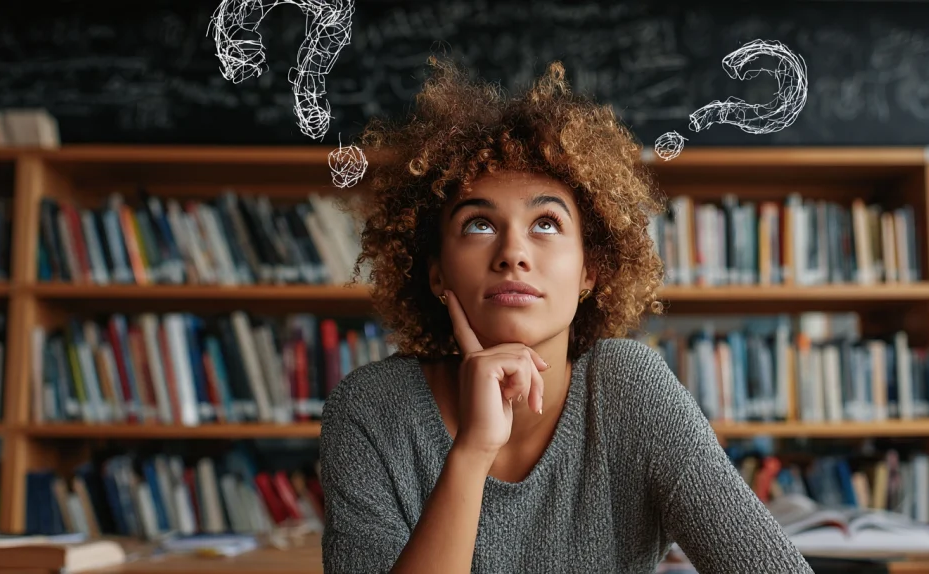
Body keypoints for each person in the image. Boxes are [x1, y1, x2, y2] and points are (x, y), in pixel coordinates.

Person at [320, 56, 813, 574]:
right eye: (479, 225)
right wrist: (471, 453)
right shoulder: (371, 411)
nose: (513, 252)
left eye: (547, 224)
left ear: (589, 272)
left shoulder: (628, 391)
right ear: (437, 272)